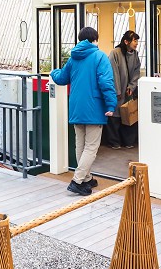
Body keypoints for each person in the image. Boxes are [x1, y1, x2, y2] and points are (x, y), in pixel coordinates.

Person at [50, 26, 117, 196]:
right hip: (94, 107)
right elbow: (106, 82)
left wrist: (53, 71)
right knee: (91, 147)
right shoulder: (100, 56)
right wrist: (110, 105)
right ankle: (77, 180)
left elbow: (61, 78)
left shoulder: (74, 58)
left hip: (76, 107)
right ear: (95, 39)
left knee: (80, 144)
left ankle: (86, 178)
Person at [107, 30, 141, 149]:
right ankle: (114, 142)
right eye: (134, 41)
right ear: (126, 41)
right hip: (117, 92)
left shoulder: (135, 54)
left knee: (128, 115)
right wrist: (117, 91)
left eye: (137, 41)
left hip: (128, 91)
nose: (136, 43)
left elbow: (137, 72)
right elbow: (113, 73)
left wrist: (132, 86)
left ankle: (128, 141)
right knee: (115, 116)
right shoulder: (115, 53)